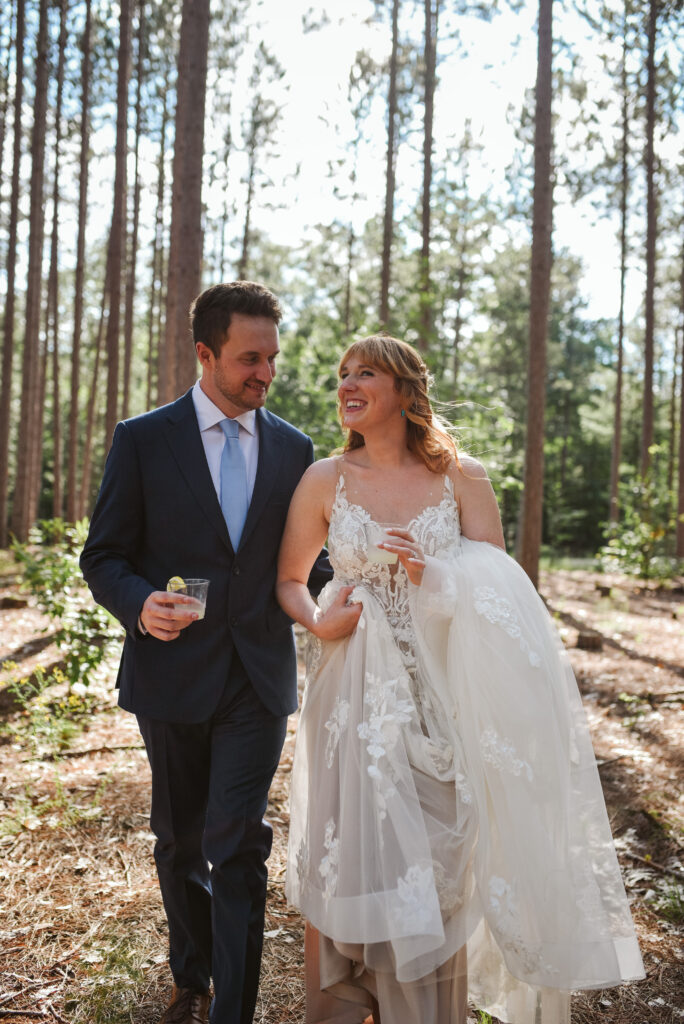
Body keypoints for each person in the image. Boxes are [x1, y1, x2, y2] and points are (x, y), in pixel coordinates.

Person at [276, 334, 645, 1024]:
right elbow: (290, 581)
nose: (347, 385)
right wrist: (319, 622)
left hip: (444, 692)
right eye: (343, 374)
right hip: (351, 694)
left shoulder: (462, 479)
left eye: (366, 373)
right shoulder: (325, 479)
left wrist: (433, 574)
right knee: (352, 847)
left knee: (437, 855)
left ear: (405, 391)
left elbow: (503, 590)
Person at [80, 281, 330, 1024]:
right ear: (205, 353)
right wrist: (139, 603)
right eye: (250, 359)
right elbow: (104, 555)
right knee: (180, 839)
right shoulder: (142, 439)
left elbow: (309, 562)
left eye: (272, 358)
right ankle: (191, 979)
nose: (266, 373)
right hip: (170, 674)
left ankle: (234, 1012)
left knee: (239, 842)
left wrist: (364, 583)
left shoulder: (295, 448)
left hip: (258, 678)